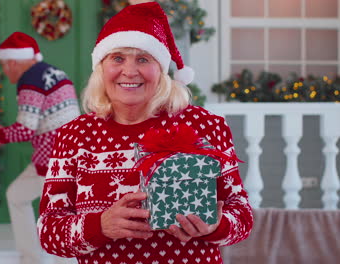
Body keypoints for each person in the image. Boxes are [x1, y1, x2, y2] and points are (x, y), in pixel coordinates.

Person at [37, 2, 253, 264]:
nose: (129, 71)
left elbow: (242, 216)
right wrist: (100, 226)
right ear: (101, 68)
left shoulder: (204, 126)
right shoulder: (75, 135)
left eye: (143, 59)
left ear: (161, 69)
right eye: (117, 58)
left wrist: (216, 227)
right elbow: (48, 231)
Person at [0, 32, 80, 264]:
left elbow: (25, 129)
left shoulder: (30, 79)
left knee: (57, 218)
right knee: (18, 196)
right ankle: (31, 257)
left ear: (13, 62)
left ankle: (34, 259)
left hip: (53, 160)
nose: (4, 71)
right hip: (68, 156)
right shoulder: (55, 72)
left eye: (4, 65)